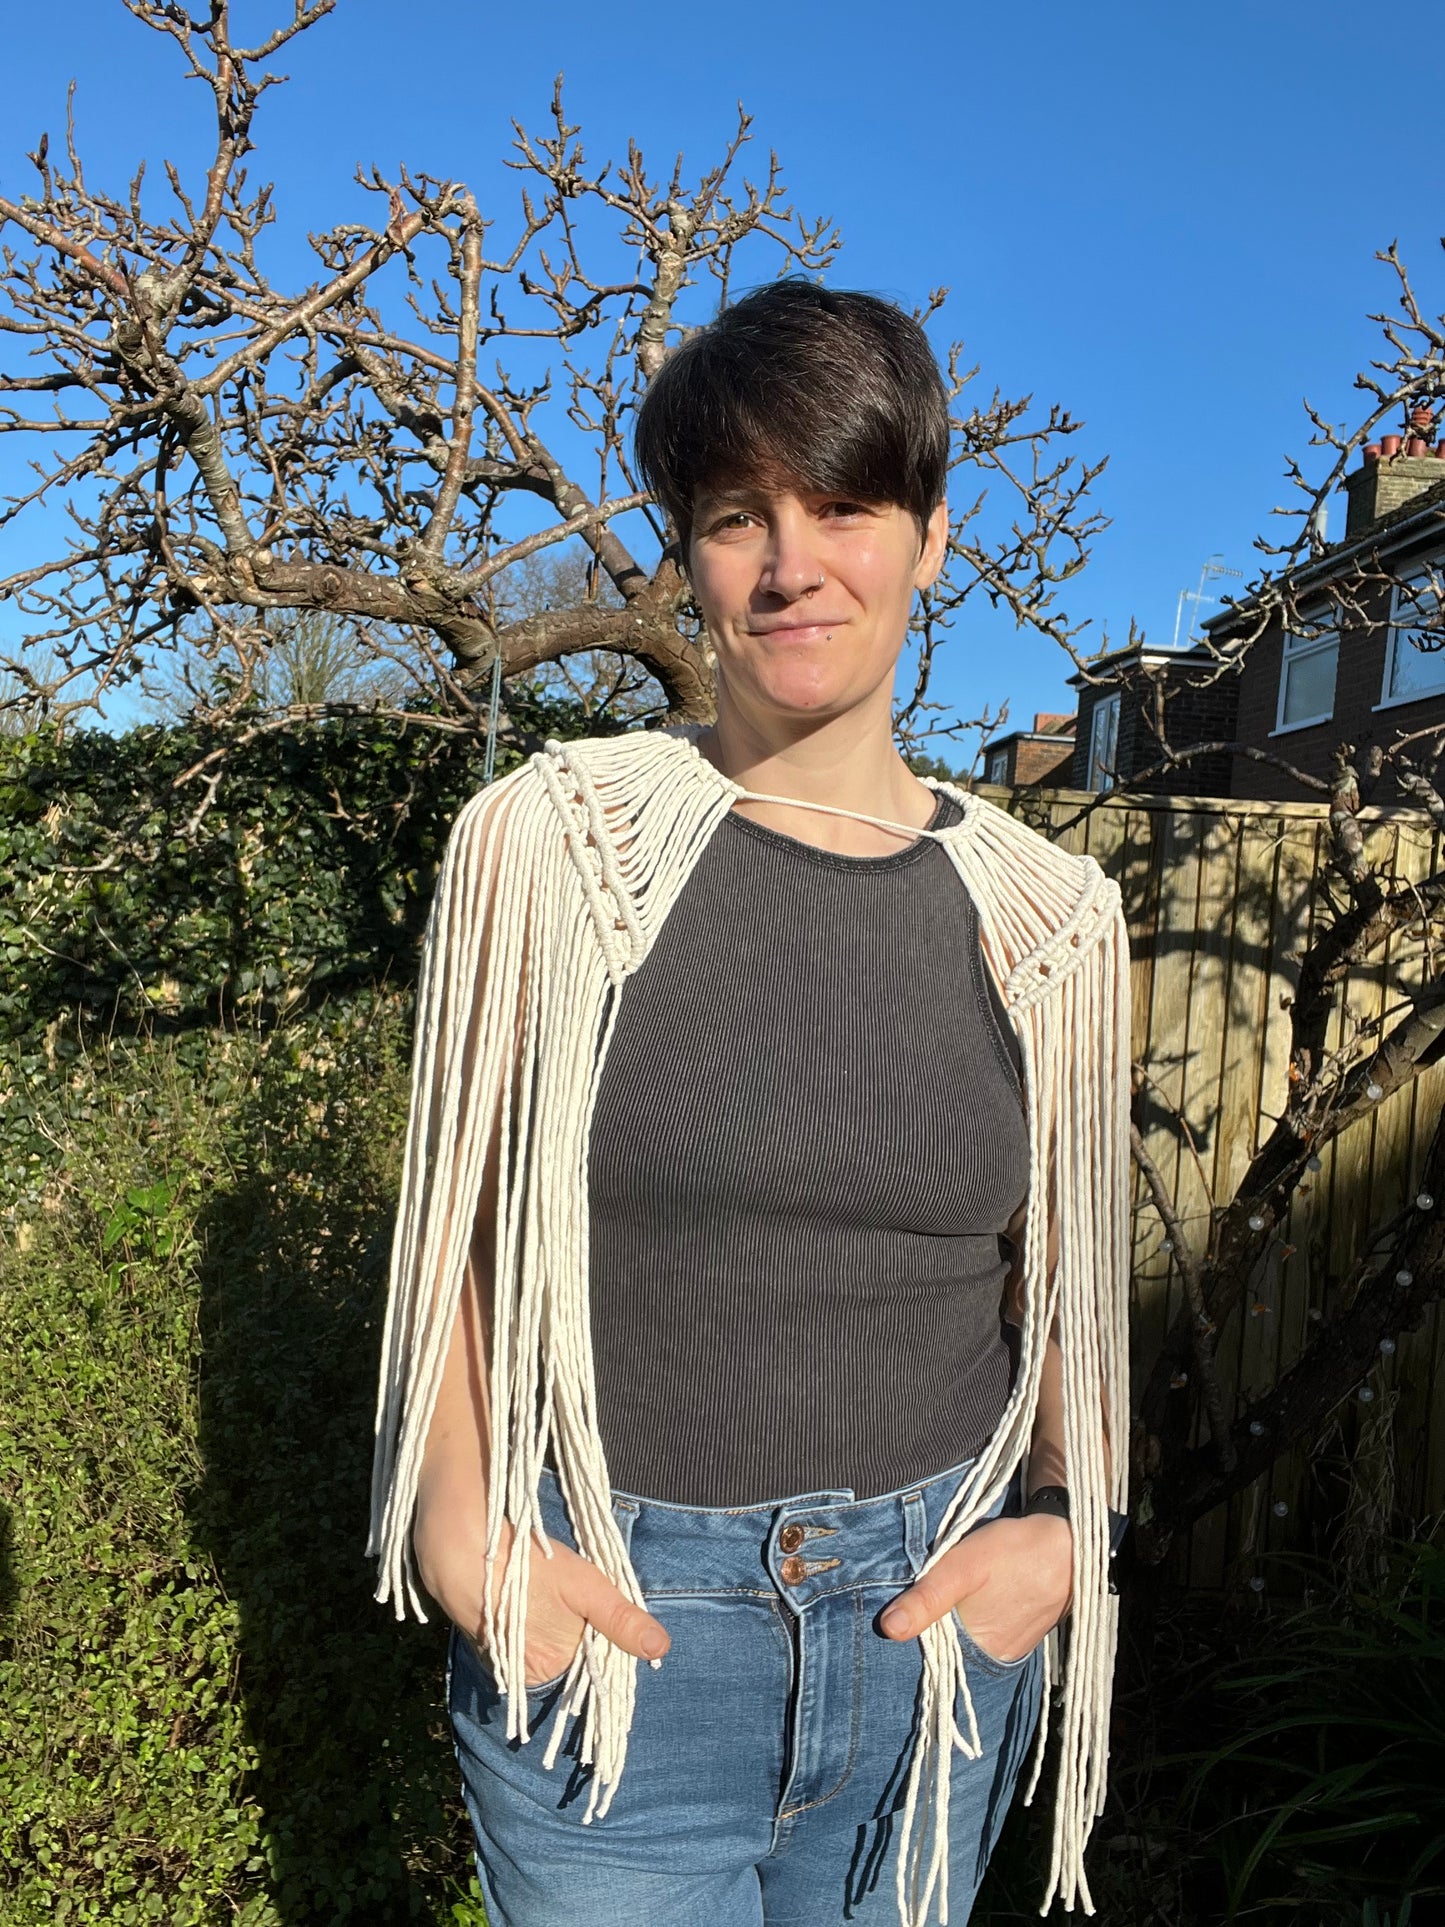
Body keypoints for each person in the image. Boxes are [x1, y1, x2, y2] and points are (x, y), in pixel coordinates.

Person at [368, 281, 1132, 1927]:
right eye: (736, 518)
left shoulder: (1049, 920)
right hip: (613, 1637)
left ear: (930, 537)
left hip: (933, 1639)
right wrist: (460, 1527)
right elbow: (455, 1233)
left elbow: (1071, 1291)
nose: (791, 566)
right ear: (691, 554)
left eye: (842, 506)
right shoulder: (550, 849)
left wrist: (1067, 1528)